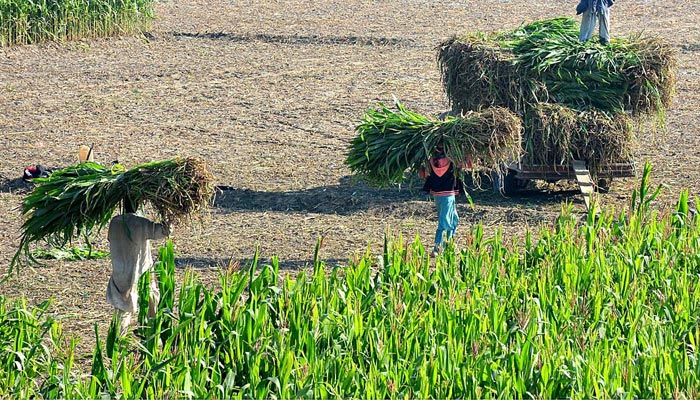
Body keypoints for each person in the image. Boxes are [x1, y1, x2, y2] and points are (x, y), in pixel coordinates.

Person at [106, 197, 171, 335]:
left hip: (120, 272)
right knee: (151, 300)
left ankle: (117, 339)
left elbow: (110, 238)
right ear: (138, 204)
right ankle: (151, 335)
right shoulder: (140, 223)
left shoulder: (115, 222)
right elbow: (163, 231)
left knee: (122, 308)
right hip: (141, 271)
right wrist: (168, 214)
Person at [419, 146, 469, 257]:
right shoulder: (453, 159)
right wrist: (468, 153)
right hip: (448, 195)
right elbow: (468, 165)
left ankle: (449, 243)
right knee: (444, 221)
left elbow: (423, 174)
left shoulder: (431, 161)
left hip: (438, 195)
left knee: (454, 219)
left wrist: (418, 164)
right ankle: (437, 248)